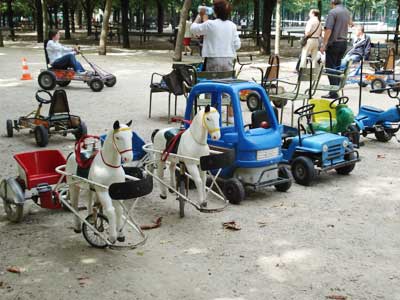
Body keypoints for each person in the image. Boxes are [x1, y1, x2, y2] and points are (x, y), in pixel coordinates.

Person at [191, 0, 241, 124]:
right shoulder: (232, 26)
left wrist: (200, 16)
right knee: (228, 88)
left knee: (211, 89)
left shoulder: (210, 24)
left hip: (213, 60)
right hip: (228, 60)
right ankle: (230, 118)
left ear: (215, 11)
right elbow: (237, 45)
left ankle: (212, 118)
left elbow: (193, 29)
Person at [320, 0, 353, 99]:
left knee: (330, 68)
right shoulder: (347, 12)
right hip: (343, 43)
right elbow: (351, 23)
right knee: (337, 67)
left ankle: (333, 92)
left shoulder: (332, 12)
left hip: (334, 43)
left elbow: (328, 29)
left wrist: (324, 44)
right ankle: (336, 89)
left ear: (332, 2)